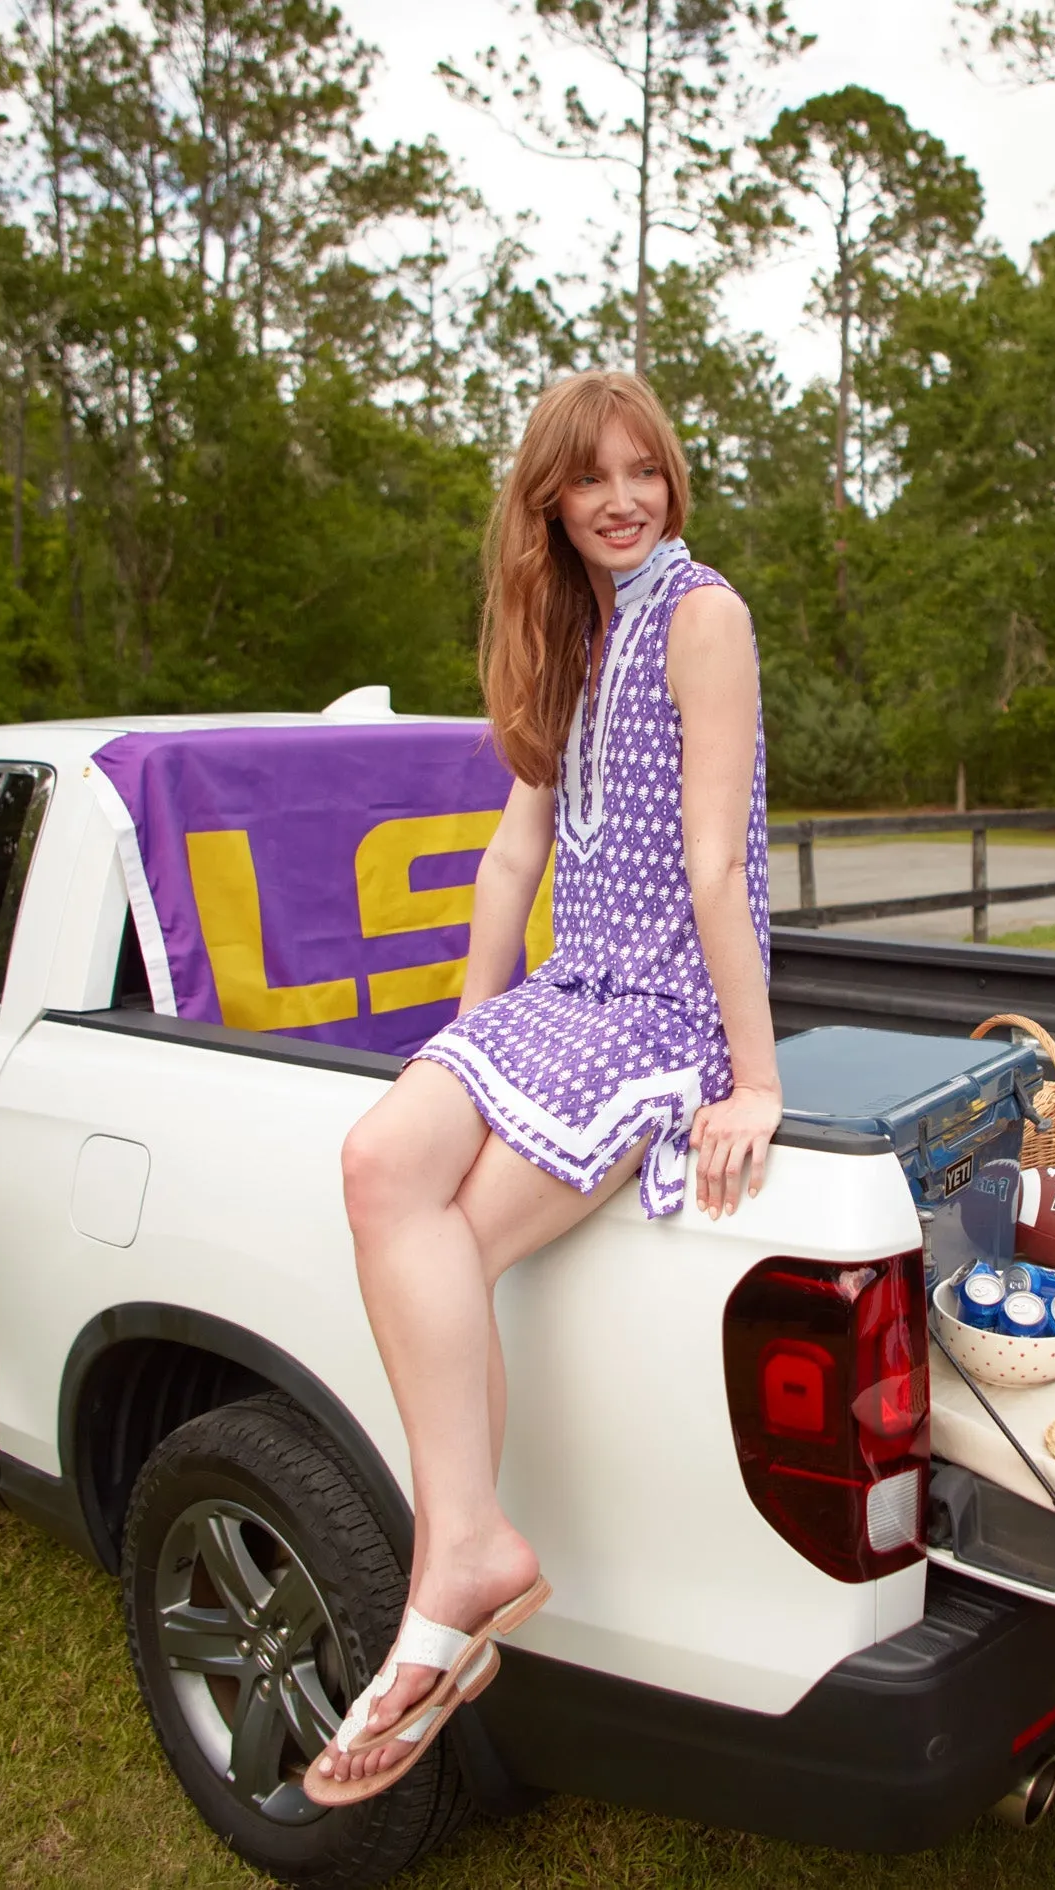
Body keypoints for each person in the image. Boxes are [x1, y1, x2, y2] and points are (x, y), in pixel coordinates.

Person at [306, 369, 779, 1806]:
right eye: (594, 479)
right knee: (384, 1161)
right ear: (551, 504)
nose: (624, 497)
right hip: (563, 993)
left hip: (664, 1006)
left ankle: (454, 1567)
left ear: (670, 483)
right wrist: (466, 1048)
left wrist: (749, 1077)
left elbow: (711, 867)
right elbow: (516, 855)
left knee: (452, 1229)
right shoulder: (574, 635)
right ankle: (470, 1541)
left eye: (646, 470)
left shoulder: (705, 617)